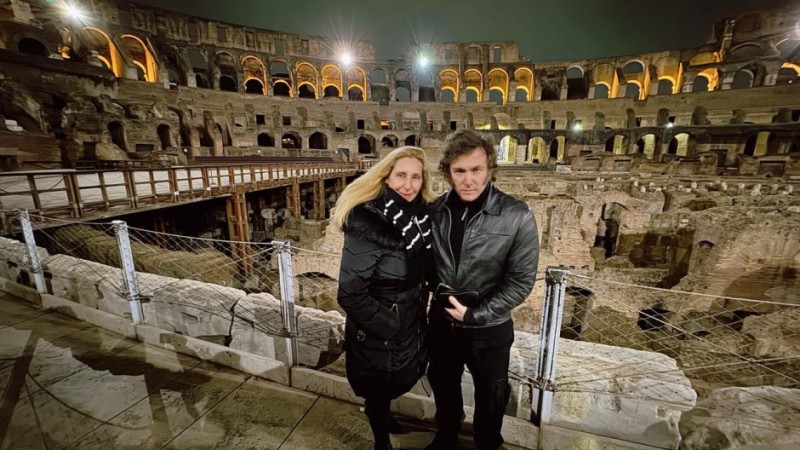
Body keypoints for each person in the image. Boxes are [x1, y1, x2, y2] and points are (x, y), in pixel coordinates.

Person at [425, 130, 539, 450]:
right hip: (443, 322)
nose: (468, 180)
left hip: (489, 328)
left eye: (476, 170)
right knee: (444, 386)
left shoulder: (517, 215)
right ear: (448, 172)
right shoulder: (435, 211)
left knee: (492, 395)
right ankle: (446, 437)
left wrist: (475, 315)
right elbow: (422, 263)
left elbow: (520, 280)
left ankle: (488, 443)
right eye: (459, 171)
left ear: (490, 169)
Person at [334, 146, 435, 450]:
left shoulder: (418, 219)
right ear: (386, 176)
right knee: (378, 388)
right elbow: (350, 293)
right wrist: (391, 324)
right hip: (380, 328)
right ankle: (381, 443)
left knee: (392, 382)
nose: (409, 184)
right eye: (401, 175)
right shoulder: (368, 223)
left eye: (416, 177)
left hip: (408, 320)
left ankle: (384, 418)